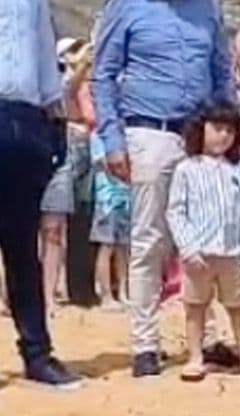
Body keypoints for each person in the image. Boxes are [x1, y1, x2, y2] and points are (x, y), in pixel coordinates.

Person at [92, 0, 237, 378]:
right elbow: (104, 75)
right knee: (149, 241)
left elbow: (221, 72)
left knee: (201, 238)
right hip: (147, 131)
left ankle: (204, 338)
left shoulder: (207, 10)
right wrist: (112, 139)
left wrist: (228, 128)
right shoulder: (126, 6)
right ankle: (145, 344)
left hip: (198, 134)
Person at [0, 0, 82, 387]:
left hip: (27, 120)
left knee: (22, 247)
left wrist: (57, 117)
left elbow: (45, 55)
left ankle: (37, 353)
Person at [166, 106, 240, 380]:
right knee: (195, 307)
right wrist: (188, 247)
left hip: (232, 252)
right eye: (217, 129)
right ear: (201, 129)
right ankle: (196, 358)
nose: (223, 136)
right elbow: (175, 211)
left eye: (229, 131)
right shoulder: (186, 169)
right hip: (199, 254)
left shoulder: (239, 170)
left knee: (237, 305)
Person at [40, 37, 89, 311]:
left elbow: (72, 84)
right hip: (29, 151)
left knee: (54, 230)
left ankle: (48, 295)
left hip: (59, 154)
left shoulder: (62, 80)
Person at [90, 120, 133, 311]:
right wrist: (125, 172)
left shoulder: (125, 136)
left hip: (126, 198)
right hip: (107, 200)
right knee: (106, 247)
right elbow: (106, 165)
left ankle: (123, 292)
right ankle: (106, 296)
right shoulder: (98, 137)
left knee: (123, 247)